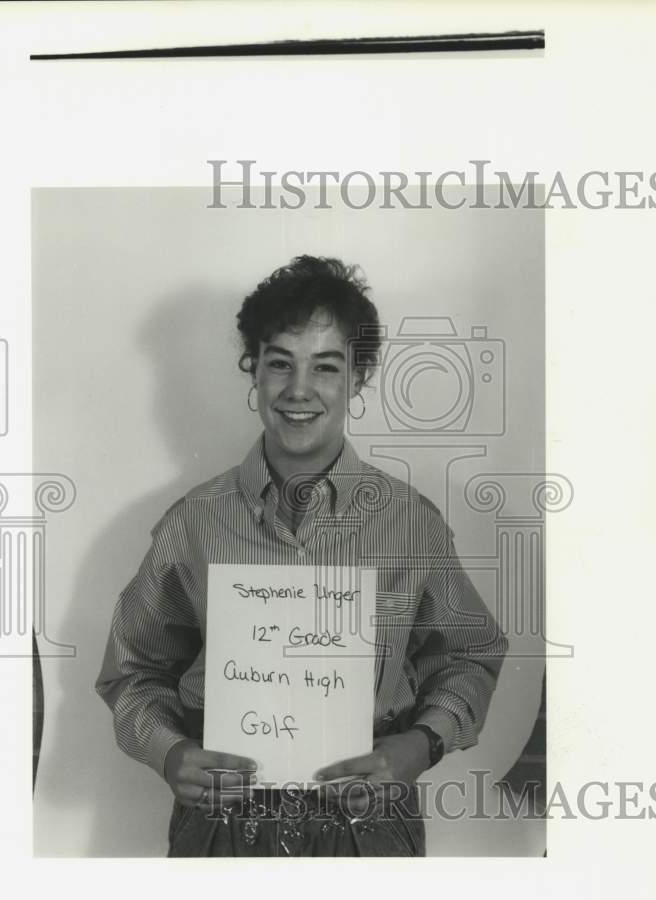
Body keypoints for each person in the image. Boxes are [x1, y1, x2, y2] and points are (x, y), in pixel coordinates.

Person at [96, 255, 508, 857]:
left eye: (326, 366)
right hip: (223, 827)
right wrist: (171, 752)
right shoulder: (196, 521)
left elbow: (470, 653)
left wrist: (420, 746)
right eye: (279, 363)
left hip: (368, 828)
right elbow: (134, 670)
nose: (298, 390)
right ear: (253, 373)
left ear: (359, 379)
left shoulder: (410, 523)